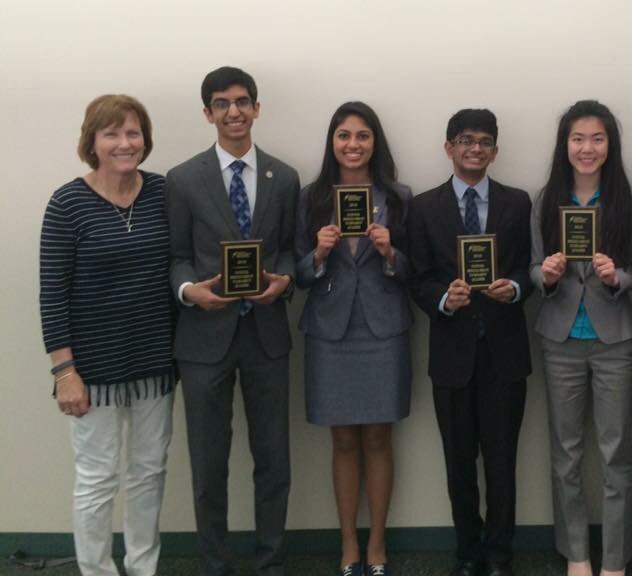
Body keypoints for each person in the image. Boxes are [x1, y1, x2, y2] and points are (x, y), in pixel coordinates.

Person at [166, 66, 300, 576]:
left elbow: (289, 250)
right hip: (203, 340)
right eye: (222, 104)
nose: (235, 112)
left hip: (266, 335)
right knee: (208, 466)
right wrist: (188, 291)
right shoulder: (182, 179)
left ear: (257, 108)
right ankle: (215, 565)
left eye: (243, 101)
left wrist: (284, 281)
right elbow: (176, 255)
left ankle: (271, 563)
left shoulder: (284, 177)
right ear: (208, 114)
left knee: (273, 462)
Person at [39, 94, 176, 576]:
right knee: (96, 480)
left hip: (155, 365)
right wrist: (64, 372)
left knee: (149, 475)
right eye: (112, 133)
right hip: (91, 370)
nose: (125, 143)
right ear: (92, 142)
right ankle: (95, 571)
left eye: (133, 133)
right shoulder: (67, 203)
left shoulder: (163, 192)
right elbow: (52, 294)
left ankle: (143, 568)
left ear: (145, 139)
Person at [407, 109, 532, 576]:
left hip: (505, 352)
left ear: (495, 151)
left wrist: (515, 289)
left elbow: (528, 269)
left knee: (502, 462)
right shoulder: (422, 208)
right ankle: (468, 552)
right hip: (452, 355)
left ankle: (500, 555)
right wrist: (443, 297)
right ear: (448, 148)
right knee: (459, 464)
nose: (474, 148)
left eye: (483, 141)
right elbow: (416, 278)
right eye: (464, 140)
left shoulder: (519, 203)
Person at [294, 102, 413, 576]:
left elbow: (414, 269)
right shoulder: (311, 198)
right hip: (329, 330)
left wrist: (389, 253)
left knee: (380, 437)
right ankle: (348, 546)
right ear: (332, 143)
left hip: (383, 328)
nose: (353, 144)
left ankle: (378, 545)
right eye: (343, 135)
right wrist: (319, 255)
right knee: (342, 440)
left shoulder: (399, 197)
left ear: (375, 142)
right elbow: (297, 272)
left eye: (362, 135)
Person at [529, 101, 632, 576]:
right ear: (565, 144)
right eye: (578, 139)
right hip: (560, 341)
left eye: (597, 138)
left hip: (614, 339)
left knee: (616, 451)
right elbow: (534, 269)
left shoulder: (628, 200)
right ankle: (576, 553)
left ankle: (614, 559)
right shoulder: (545, 199)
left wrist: (617, 277)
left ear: (609, 144)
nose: (587, 148)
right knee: (567, 451)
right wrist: (548, 275)